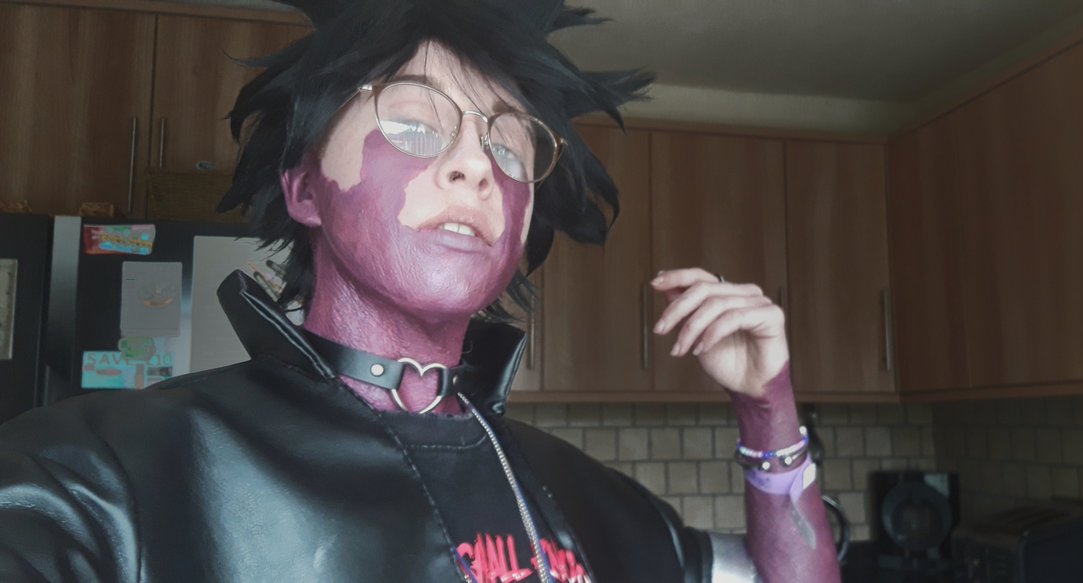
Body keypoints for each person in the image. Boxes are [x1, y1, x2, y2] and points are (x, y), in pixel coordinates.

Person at [0, 0, 840, 581]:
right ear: (305, 188)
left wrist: (768, 404)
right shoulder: (106, 473)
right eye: (412, 123)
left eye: (508, 146)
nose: (476, 164)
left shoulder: (590, 497)